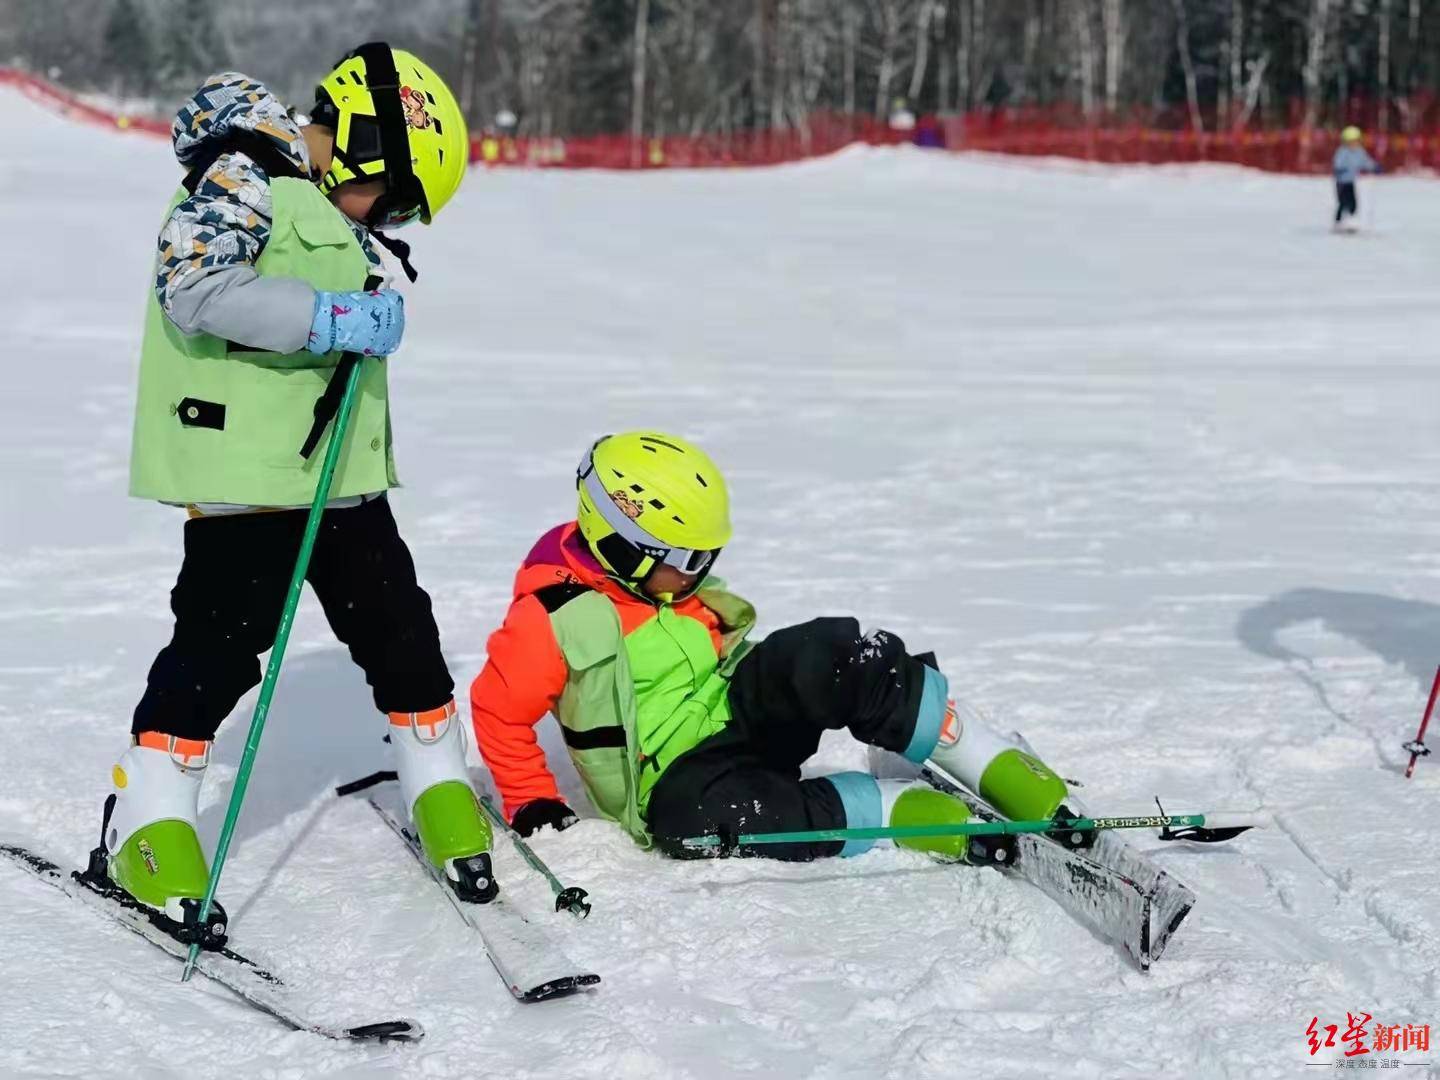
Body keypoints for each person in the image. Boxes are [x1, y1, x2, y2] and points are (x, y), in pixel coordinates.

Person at [102, 44, 495, 947]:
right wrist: (326, 317)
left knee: (401, 627)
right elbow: (194, 284)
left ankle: (437, 782)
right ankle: (149, 819)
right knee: (222, 644)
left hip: (337, 479)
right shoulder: (243, 172)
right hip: (248, 478)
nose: (392, 218)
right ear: (352, 145)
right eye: (391, 198)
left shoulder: (312, 198)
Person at [469, 432, 1074, 863]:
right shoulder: (549, 620)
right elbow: (498, 708)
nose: (700, 574)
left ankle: (984, 756)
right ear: (623, 545)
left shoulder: (662, 581)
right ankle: (890, 811)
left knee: (822, 656)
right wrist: (531, 801)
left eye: (709, 558)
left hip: (733, 704)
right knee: (697, 825)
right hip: (678, 772)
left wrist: (791, 675)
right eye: (687, 561)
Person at [1333, 125, 1381, 232]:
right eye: (1350, 142)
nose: (1353, 144)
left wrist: (1374, 167)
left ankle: (1350, 222)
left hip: (1350, 182)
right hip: (1341, 182)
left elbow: (1365, 162)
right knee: (1343, 202)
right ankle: (1338, 222)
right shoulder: (1342, 152)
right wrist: (1339, 169)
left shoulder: (1359, 152)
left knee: (1353, 203)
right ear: (1345, 141)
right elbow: (1338, 163)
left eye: (1355, 141)